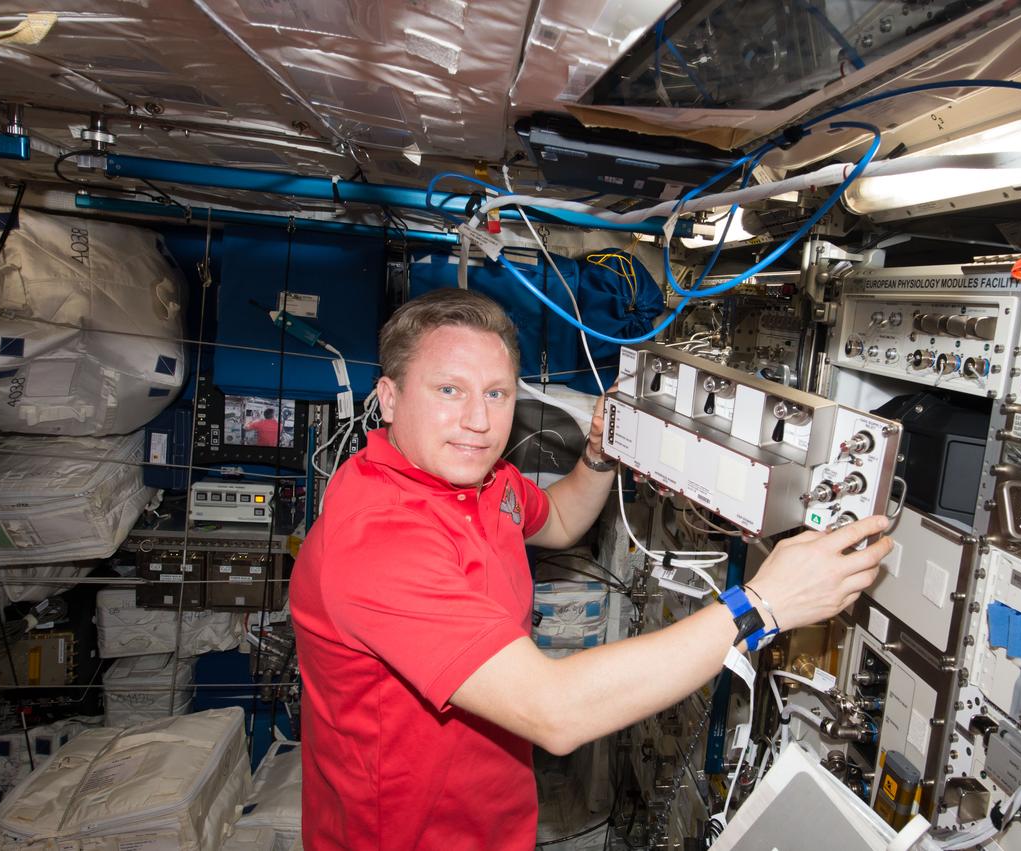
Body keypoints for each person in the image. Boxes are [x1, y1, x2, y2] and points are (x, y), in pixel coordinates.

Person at [290, 289, 891, 850]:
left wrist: (600, 458)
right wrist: (763, 604)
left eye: (496, 394)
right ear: (390, 396)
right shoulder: (379, 537)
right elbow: (554, 710)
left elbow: (555, 521)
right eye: (449, 390)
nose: (479, 420)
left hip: (493, 823)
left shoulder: (480, 480)